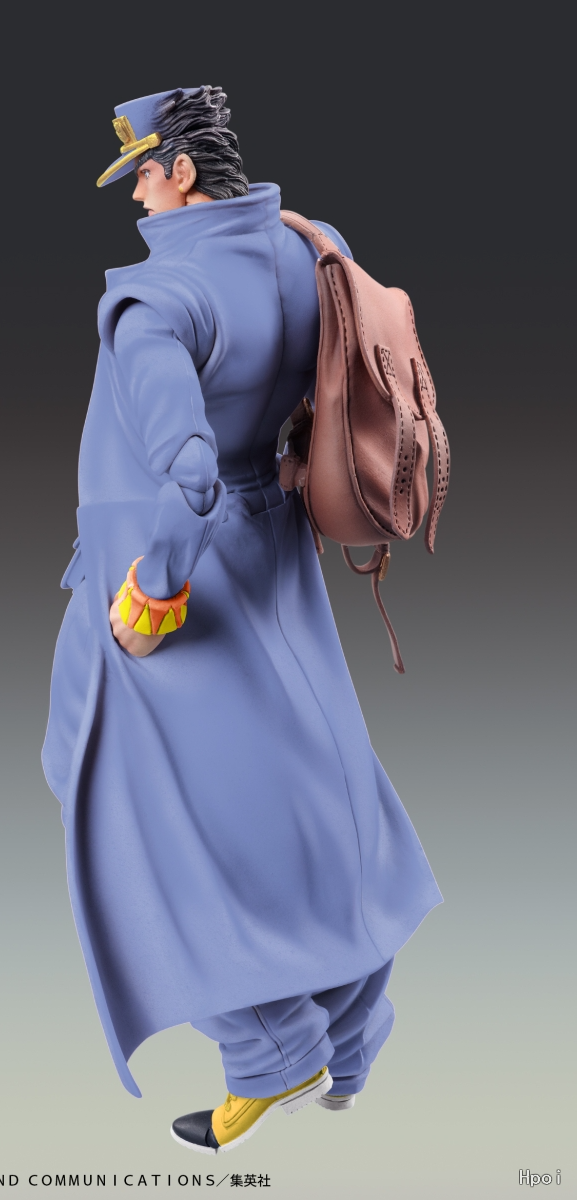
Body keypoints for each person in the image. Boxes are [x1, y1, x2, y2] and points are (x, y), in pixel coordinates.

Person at [42, 86, 442, 1155]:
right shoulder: (306, 247)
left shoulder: (156, 300)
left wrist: (153, 597)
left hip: (169, 582)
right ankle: (351, 1031)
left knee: (129, 815)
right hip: (274, 551)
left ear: (178, 169)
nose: (136, 195)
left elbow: (184, 476)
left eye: (141, 174)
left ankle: (272, 1048)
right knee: (314, 791)